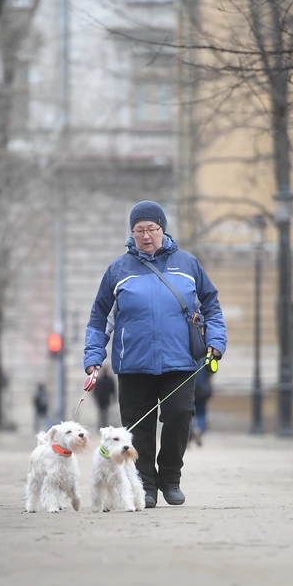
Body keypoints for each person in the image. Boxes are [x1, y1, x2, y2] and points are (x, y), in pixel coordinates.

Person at [84, 200, 226, 508]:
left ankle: (171, 478)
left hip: (181, 360)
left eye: (152, 229)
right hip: (133, 363)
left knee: (179, 417)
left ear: (163, 230)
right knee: (138, 429)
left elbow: (211, 307)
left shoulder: (188, 264)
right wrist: (94, 357)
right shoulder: (118, 270)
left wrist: (216, 340)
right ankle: (145, 484)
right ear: (132, 233)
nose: (146, 236)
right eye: (139, 230)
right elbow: (99, 318)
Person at [191, 368, 213, 447]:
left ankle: (190, 434)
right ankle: (199, 428)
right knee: (201, 412)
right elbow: (210, 372)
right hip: (203, 388)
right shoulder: (204, 357)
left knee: (188, 413)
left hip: (190, 388)